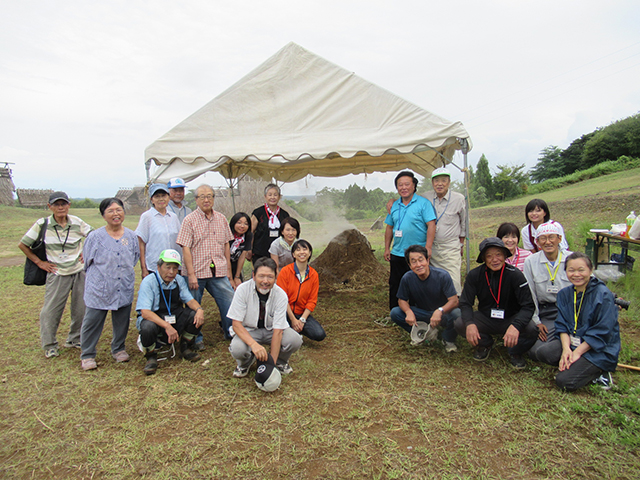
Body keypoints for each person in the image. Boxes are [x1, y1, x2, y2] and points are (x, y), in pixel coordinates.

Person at [18, 191, 92, 358]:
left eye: (64, 204)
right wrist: (39, 262)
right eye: (57, 204)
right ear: (49, 206)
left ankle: (75, 339)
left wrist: (86, 251)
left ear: (69, 205)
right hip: (57, 272)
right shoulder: (42, 224)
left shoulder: (77, 222)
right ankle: (50, 344)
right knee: (51, 309)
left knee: (81, 307)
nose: (61, 207)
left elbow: (94, 235)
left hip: (78, 270)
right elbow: (23, 244)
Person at [536, 252, 620, 391]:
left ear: (590, 270)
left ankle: (601, 373)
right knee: (544, 353)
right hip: (574, 342)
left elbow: (602, 331)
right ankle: (578, 364)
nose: (576, 274)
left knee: (564, 382)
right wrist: (566, 350)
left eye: (581, 270)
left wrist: (577, 353)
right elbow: (561, 324)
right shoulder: (565, 294)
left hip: (598, 348)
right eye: (571, 270)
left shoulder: (603, 294)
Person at [455, 237, 538, 369]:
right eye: (489, 256)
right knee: (460, 323)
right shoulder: (474, 275)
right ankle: (485, 343)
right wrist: (470, 324)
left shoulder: (515, 275)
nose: (495, 260)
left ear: (505, 255)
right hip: (486, 318)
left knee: (531, 329)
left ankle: (515, 351)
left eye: (498, 254)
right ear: (483, 258)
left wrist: (516, 326)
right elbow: (465, 303)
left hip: (510, 318)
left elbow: (528, 306)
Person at [79, 198, 140, 371]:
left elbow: (134, 258)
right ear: (103, 215)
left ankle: (119, 348)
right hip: (100, 287)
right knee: (93, 320)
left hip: (123, 284)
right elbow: (87, 261)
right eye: (111, 211)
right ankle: (88, 354)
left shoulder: (131, 236)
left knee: (121, 320)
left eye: (119, 210)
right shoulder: (95, 237)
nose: (116, 214)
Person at [177, 184, 235, 341]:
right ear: (196, 200)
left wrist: (228, 271)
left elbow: (226, 245)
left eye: (209, 196)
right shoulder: (189, 220)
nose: (206, 199)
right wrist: (190, 274)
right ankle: (195, 338)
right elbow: (185, 248)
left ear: (214, 199)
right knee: (194, 306)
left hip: (218, 270)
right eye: (202, 196)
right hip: (196, 271)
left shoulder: (221, 218)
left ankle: (231, 332)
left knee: (229, 300)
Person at [228, 257, 303, 377]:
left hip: (271, 331)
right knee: (237, 348)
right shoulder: (242, 290)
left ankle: (280, 362)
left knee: (294, 340)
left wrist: (270, 365)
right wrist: (254, 345)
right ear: (253, 275)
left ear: (275, 277)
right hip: (249, 330)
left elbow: (278, 331)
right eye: (261, 276)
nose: (265, 281)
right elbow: (236, 324)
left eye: (270, 277)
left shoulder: (280, 295)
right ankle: (244, 364)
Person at [135, 249, 205, 375]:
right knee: (147, 326)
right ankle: (151, 356)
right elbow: (145, 312)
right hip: (156, 318)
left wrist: (199, 309)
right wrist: (167, 326)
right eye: (168, 267)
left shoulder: (178, 280)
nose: (171, 272)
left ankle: (185, 347)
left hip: (174, 315)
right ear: (158, 267)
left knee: (195, 316)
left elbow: (189, 300)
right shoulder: (149, 282)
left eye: (175, 268)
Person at [389, 245, 460, 352]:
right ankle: (423, 332)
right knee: (395, 313)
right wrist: (408, 311)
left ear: (427, 260)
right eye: (413, 261)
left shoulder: (442, 276)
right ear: (409, 265)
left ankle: (448, 339)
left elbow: (454, 300)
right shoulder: (407, 278)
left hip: (442, 314)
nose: (418, 265)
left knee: (457, 314)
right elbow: (401, 300)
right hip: (422, 313)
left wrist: (440, 310)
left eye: (421, 260)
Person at [384, 171, 436, 310]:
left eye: (407, 184)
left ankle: (417, 310)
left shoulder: (423, 203)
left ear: (414, 186)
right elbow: (389, 228)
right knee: (395, 283)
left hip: (417, 253)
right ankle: (395, 311)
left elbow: (431, 224)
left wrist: (428, 247)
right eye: (400, 185)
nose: (403, 187)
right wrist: (387, 248)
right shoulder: (394, 206)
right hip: (398, 252)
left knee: (418, 282)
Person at [523, 222, 572, 362]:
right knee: (535, 352)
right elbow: (530, 293)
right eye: (543, 238)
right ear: (537, 242)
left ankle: (570, 344)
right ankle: (566, 344)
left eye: (552, 237)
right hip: (547, 313)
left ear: (559, 239)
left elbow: (590, 284)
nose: (548, 242)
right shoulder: (531, 262)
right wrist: (537, 321)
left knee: (547, 352)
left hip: (570, 311)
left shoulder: (572, 259)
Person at [425, 167, 466, 295]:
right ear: (432, 183)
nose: (440, 184)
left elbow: (464, 223)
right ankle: (438, 307)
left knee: (453, 279)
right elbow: (408, 198)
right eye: (436, 181)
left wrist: (461, 244)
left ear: (449, 182)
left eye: (443, 180)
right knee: (433, 280)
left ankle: (455, 307)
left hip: (450, 246)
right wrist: (392, 201)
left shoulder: (458, 199)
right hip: (431, 247)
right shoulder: (426, 197)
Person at [276, 239, 326, 342]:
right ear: (293, 254)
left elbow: (312, 301)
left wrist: (302, 320)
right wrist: (293, 320)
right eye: (298, 250)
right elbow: (282, 297)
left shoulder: (313, 274)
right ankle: (291, 329)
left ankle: (296, 329)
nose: (302, 252)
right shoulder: (285, 271)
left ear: (310, 253)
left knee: (319, 334)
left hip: (301, 313)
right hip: (284, 312)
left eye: (305, 249)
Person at [135, 183, 181, 278]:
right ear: (152, 199)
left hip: (173, 266)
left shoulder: (173, 217)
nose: (161, 199)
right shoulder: (147, 217)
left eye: (163, 196)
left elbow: (179, 241)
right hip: (154, 267)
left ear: (168, 197)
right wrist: (144, 268)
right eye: (157, 196)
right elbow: (141, 244)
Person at [251, 183, 290, 264]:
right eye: (270, 195)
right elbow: (251, 232)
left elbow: (288, 232)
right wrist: (249, 249)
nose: (273, 197)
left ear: (279, 197)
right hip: (260, 253)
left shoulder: (284, 214)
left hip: (279, 253)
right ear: (265, 197)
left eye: (275, 195)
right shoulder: (258, 213)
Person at [229, 212, 253, 289]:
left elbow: (242, 256)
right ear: (233, 223)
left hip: (235, 265)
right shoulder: (227, 234)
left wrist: (237, 276)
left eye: (246, 224)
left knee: (239, 287)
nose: (242, 226)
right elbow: (225, 257)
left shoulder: (248, 236)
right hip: (223, 266)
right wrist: (230, 278)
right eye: (239, 223)